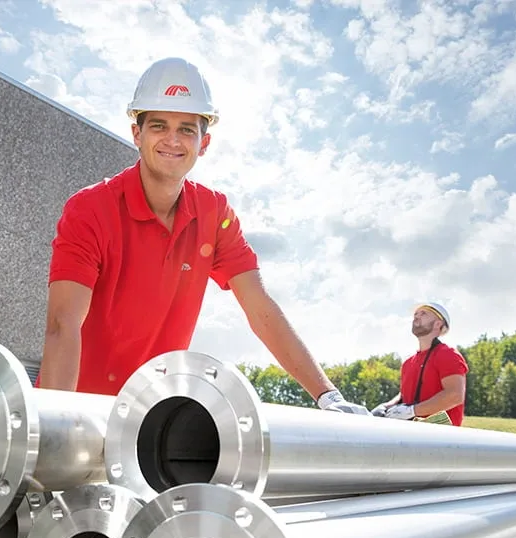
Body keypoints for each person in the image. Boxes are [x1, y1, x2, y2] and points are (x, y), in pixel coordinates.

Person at [38, 57, 367, 415]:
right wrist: (57, 425)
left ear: (204, 142)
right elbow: (62, 324)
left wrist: (329, 396)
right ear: (137, 133)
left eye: (186, 129)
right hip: (76, 411)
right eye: (159, 125)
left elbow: (260, 308)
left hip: (145, 421)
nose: (172, 140)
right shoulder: (90, 209)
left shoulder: (215, 215)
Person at [372, 302, 468, 425]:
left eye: (423, 313)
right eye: (416, 314)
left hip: (442, 438)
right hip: (412, 436)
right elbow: (404, 395)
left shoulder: (448, 355)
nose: (416, 316)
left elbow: (454, 395)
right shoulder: (408, 363)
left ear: (438, 323)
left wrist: (413, 410)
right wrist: (386, 406)